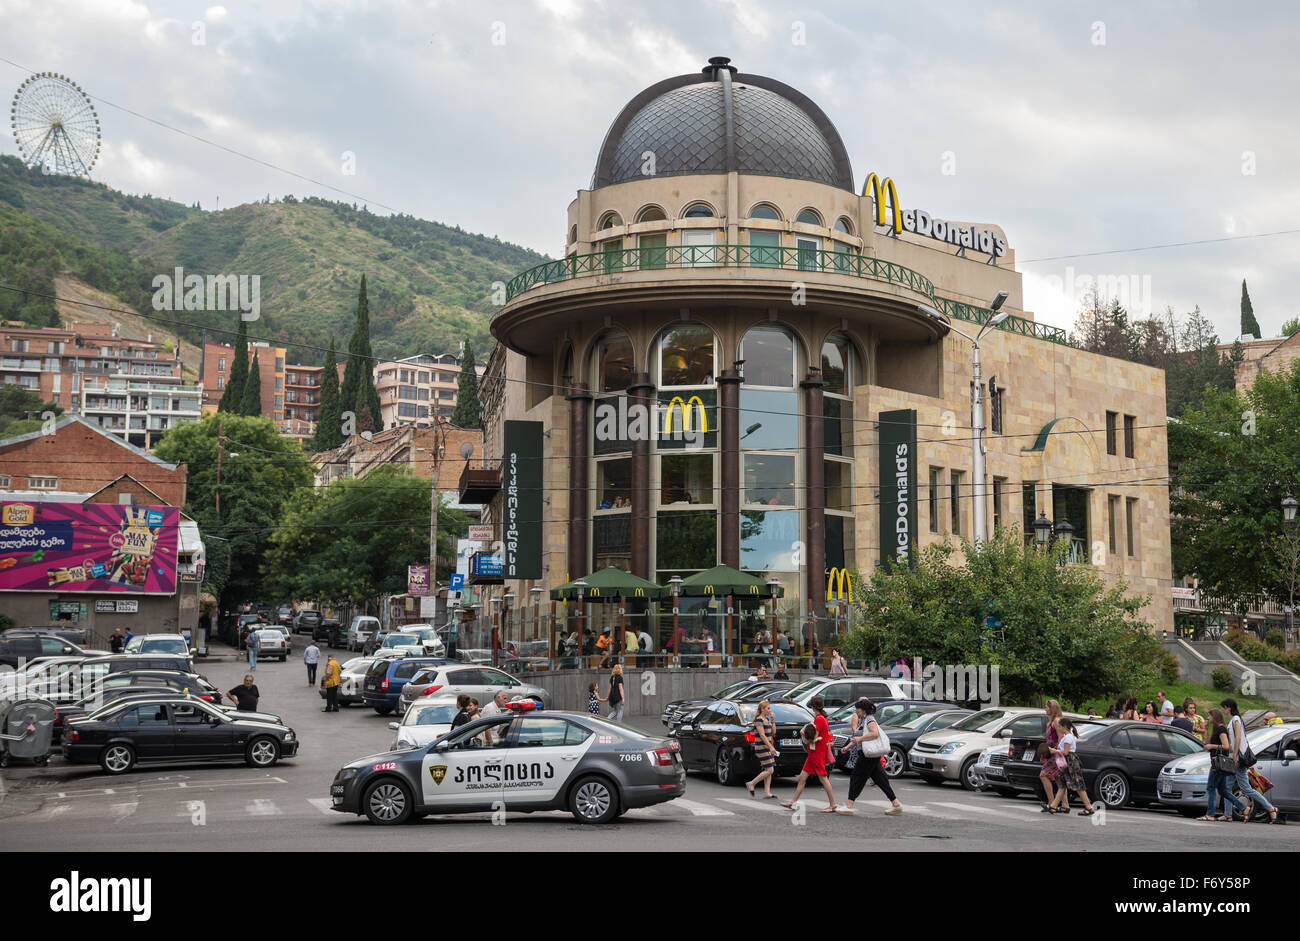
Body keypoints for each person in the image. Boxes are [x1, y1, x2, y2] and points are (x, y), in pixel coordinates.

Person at [780, 696, 842, 814]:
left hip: (816, 753)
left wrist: (803, 732)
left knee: (823, 778)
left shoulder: (819, 719)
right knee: (802, 778)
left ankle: (833, 805)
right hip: (814, 753)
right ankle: (792, 802)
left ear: (813, 707)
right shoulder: (822, 718)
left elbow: (813, 738)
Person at [1221, 697, 1279, 823]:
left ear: (1228, 707)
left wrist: (1235, 756)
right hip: (1233, 758)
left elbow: (1238, 738)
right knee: (1227, 787)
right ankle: (1227, 814)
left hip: (1238, 759)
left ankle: (1271, 808)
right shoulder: (1233, 720)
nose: (1223, 710)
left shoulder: (1236, 719)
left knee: (1245, 788)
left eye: (1223, 707)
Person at [842, 698, 903, 815]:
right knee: (881, 779)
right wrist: (848, 747)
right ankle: (896, 804)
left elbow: (874, 733)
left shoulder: (869, 719)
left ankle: (849, 805)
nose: (856, 711)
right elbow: (857, 738)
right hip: (868, 754)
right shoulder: (862, 720)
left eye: (857, 709)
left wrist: (860, 738)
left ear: (863, 710)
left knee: (857, 777)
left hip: (867, 755)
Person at [1198, 708, 1247, 821]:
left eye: (1209, 716)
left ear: (1214, 717)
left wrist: (1212, 747)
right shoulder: (1216, 729)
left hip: (1219, 763)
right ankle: (1243, 807)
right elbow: (1206, 745)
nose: (1208, 718)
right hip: (1216, 762)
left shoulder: (1221, 729)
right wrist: (1205, 730)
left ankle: (1210, 814)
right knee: (1223, 791)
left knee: (1211, 788)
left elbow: (1226, 746)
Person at [1050, 718, 1096, 815]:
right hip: (1067, 762)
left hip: (1070, 762)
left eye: (1059, 726)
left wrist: (1055, 751)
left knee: (1078, 785)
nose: (1058, 728)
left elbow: (1066, 752)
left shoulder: (1068, 737)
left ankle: (1089, 807)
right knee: (1063, 785)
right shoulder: (1067, 736)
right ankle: (1053, 806)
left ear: (1064, 727)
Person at [745, 700, 780, 799]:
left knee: (768, 769)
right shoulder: (759, 720)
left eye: (770, 708)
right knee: (770, 770)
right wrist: (771, 747)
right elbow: (762, 735)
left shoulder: (767, 719)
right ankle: (751, 783)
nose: (770, 710)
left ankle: (767, 792)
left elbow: (773, 732)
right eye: (768, 708)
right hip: (762, 747)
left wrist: (773, 721)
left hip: (767, 747)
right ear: (762, 709)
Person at [1038, 699, 1064, 812]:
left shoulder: (1056, 721)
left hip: (1054, 753)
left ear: (1052, 709)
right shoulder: (1051, 721)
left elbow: (1061, 738)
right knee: (1058, 778)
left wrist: (1055, 751)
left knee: (1043, 775)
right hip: (1049, 753)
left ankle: (1051, 803)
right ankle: (1065, 805)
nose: (1045, 709)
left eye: (1047, 707)